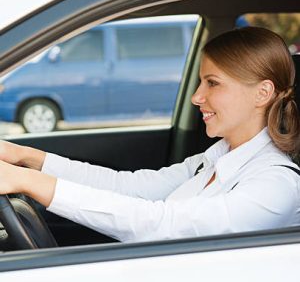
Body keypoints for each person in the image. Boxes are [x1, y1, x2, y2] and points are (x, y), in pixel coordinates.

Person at [0, 27, 300, 243]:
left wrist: (30, 182)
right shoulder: (211, 161)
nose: (196, 97)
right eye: (200, 82)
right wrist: (26, 158)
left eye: (212, 83)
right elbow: (125, 187)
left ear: (263, 93)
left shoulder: (275, 185)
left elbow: (162, 225)